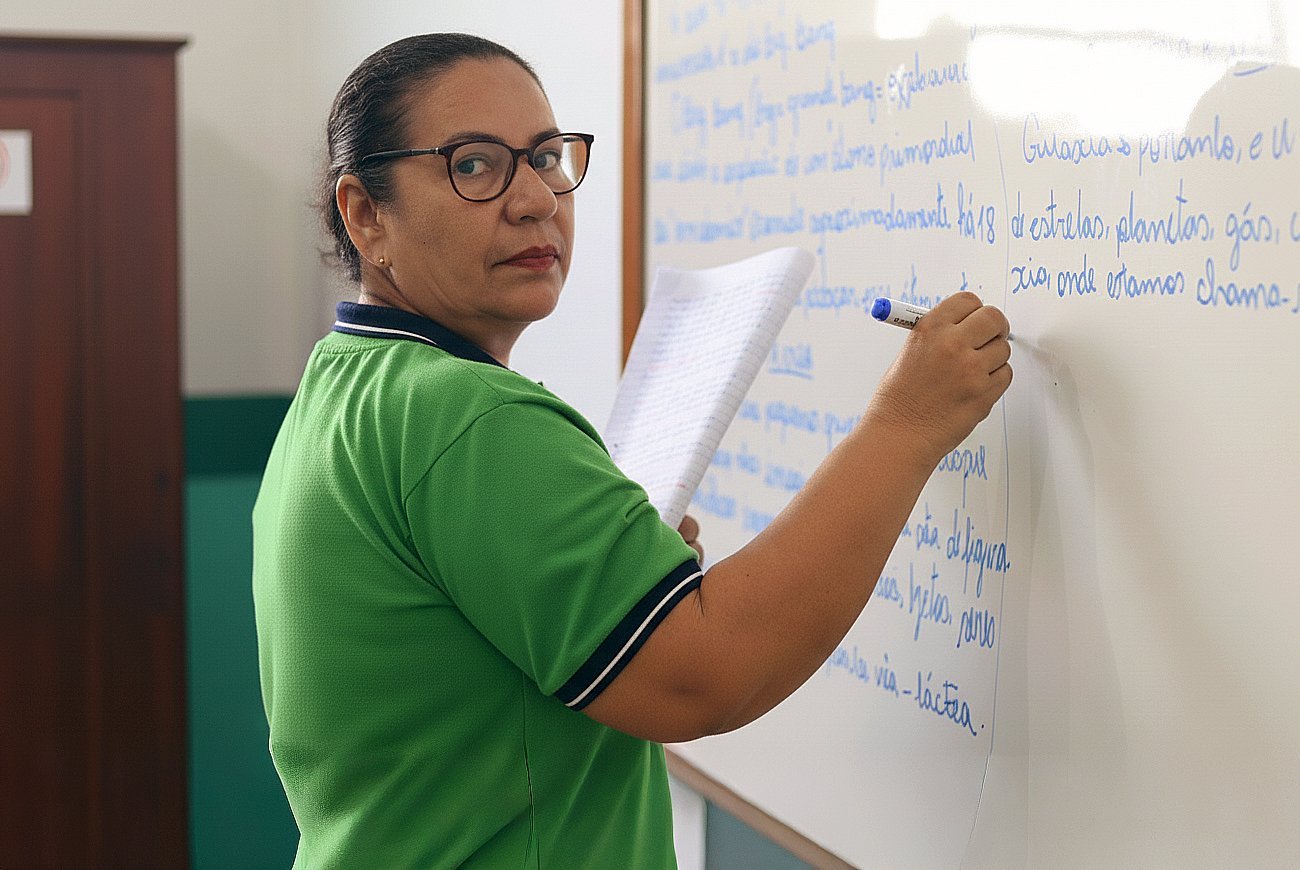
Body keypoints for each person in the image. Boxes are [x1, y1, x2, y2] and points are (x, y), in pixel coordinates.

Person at [252, 32, 1012, 869]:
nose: (537, 198)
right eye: (474, 165)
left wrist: (619, 581)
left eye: (545, 156)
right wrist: (907, 423)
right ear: (365, 214)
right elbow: (708, 674)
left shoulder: (345, 386)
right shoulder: (465, 416)